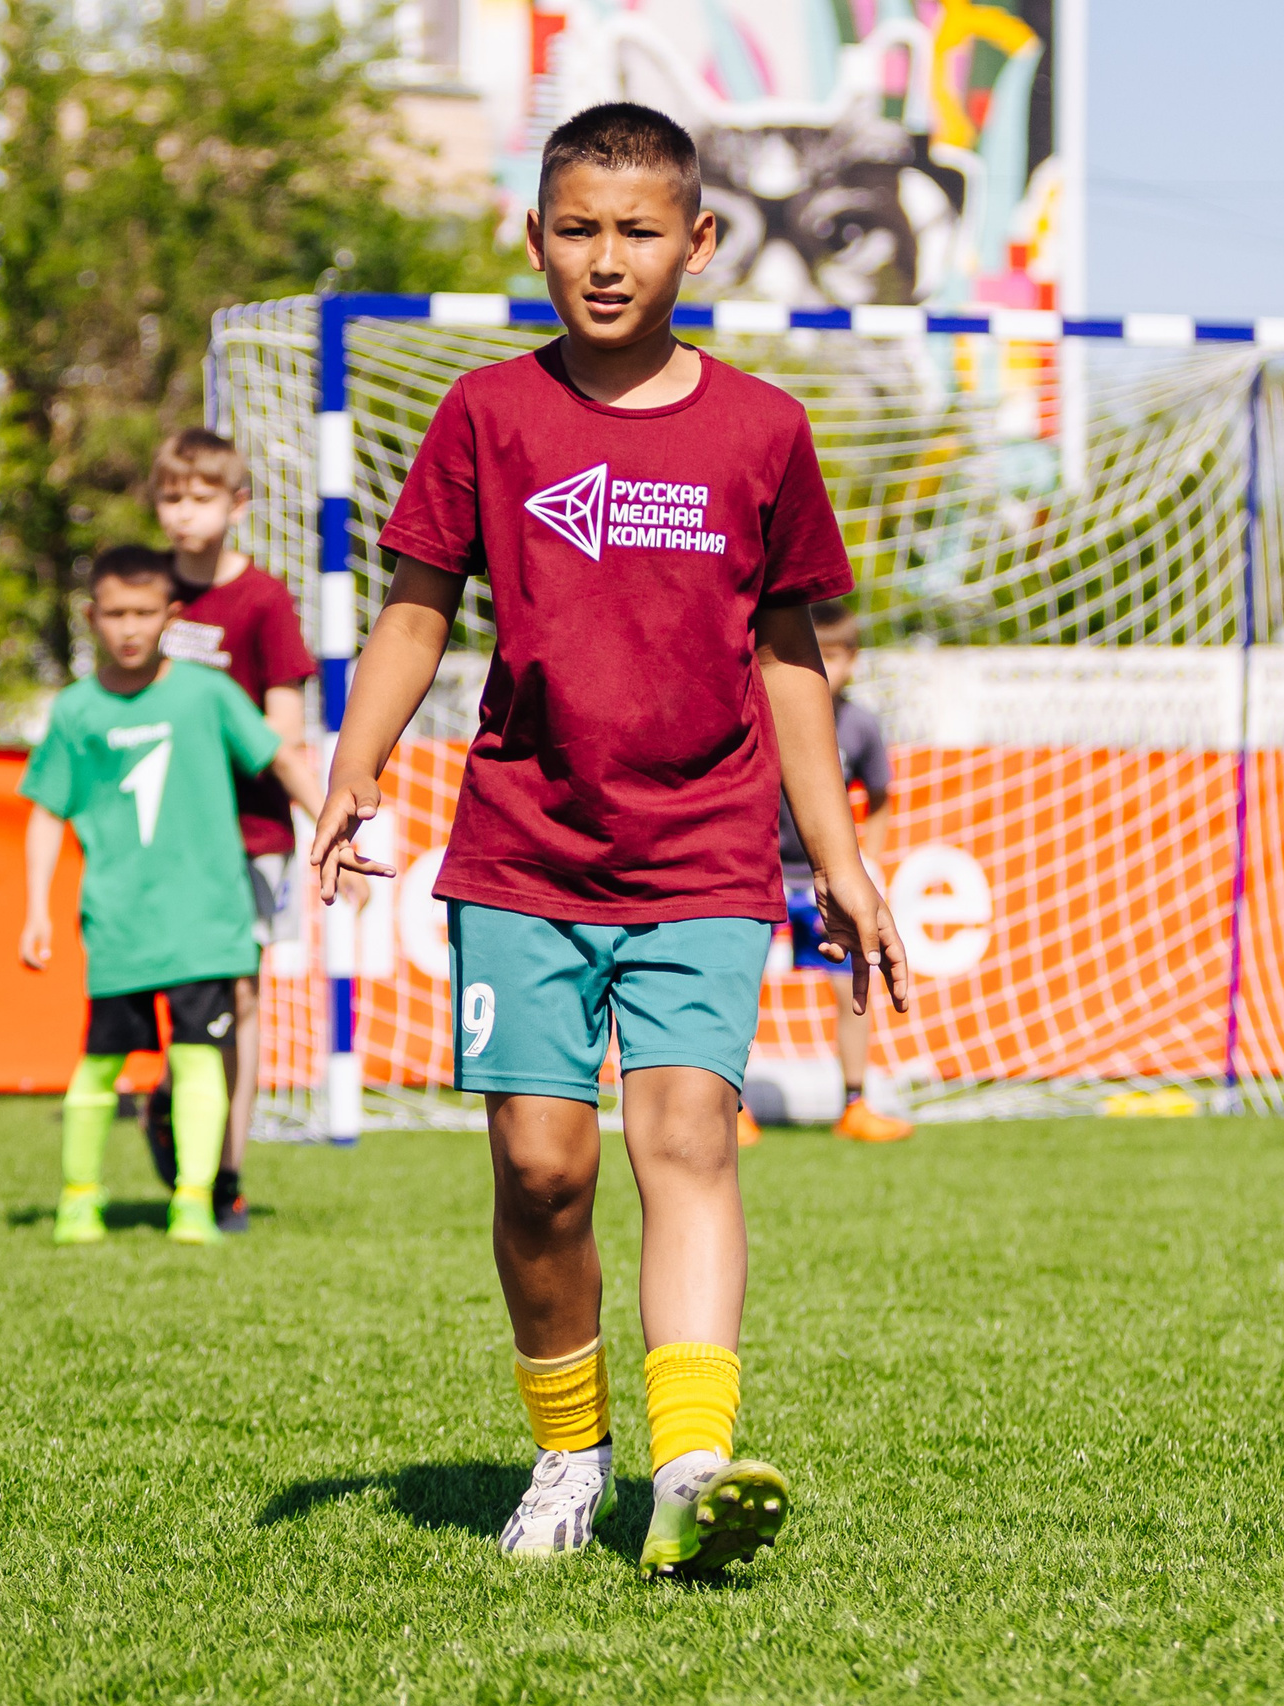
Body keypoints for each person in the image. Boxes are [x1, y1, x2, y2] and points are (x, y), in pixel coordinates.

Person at [308, 102, 909, 1575]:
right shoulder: (485, 414)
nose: (607, 257)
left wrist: (837, 857)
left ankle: (689, 1465)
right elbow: (414, 610)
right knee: (541, 1170)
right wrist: (353, 767)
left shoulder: (764, 429)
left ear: (697, 243)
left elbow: (790, 658)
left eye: (639, 230)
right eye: (578, 227)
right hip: (522, 851)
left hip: (705, 850)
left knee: (687, 1134)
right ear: (535, 238)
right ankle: (569, 1453)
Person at [20, 546, 327, 1245]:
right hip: (119, 921)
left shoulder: (206, 693)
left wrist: (329, 830)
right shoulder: (76, 710)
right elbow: (45, 812)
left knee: (196, 1059)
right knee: (100, 1064)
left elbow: (279, 756)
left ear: (172, 616)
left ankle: (193, 1202)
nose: (129, 627)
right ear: (91, 617)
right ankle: (78, 1201)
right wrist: (36, 908)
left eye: (143, 612)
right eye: (116, 613)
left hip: (206, 919)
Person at [142, 427, 323, 1234]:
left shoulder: (264, 601)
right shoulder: (144, 594)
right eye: (170, 497)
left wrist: (323, 821)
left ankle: (225, 1174)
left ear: (237, 505)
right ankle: (173, 1098)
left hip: (249, 834)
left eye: (200, 497)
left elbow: (283, 732)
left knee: (241, 995)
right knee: (179, 994)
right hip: (160, 833)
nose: (184, 512)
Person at [759, 598, 912, 1145]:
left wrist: (867, 860)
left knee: (852, 983)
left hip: (826, 880)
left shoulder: (861, 725)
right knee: (739, 985)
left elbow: (880, 797)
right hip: (763, 875)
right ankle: (729, 1106)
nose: (827, 665)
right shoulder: (766, 710)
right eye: (816, 653)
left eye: (837, 655)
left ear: (854, 658)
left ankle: (854, 1103)